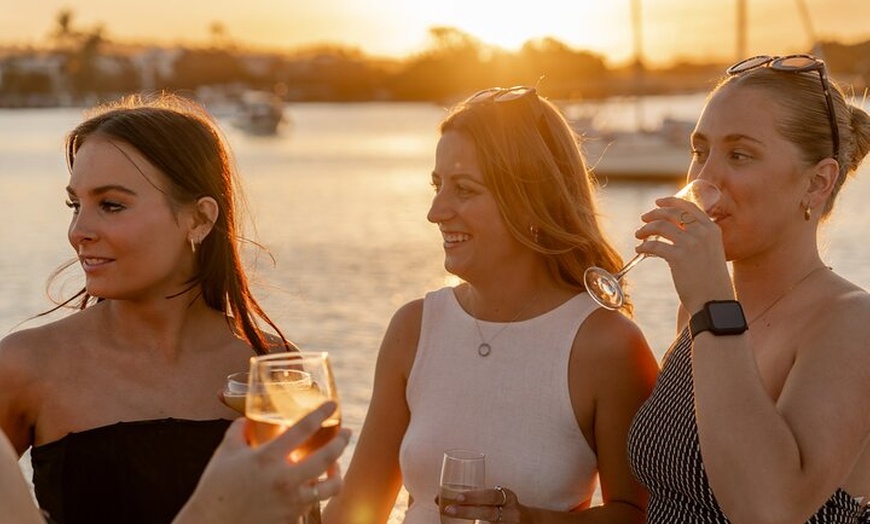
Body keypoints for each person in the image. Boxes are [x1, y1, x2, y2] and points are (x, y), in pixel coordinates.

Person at [0, 93, 343, 523]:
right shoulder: (26, 366)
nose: (79, 231)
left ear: (199, 219)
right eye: (75, 205)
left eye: (111, 205)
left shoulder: (269, 367)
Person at [323, 86, 659, 524]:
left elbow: (640, 515)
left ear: (530, 202)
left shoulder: (607, 346)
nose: (436, 211)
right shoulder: (414, 328)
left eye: (463, 189)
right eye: (437, 185)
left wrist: (530, 521)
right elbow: (356, 510)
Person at [627, 54, 870, 523]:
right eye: (700, 151)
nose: (703, 178)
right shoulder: (701, 316)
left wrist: (712, 301)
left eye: (739, 155)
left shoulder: (850, 322)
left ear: (818, 183)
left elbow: (769, 511)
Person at [0, 403, 351, 524]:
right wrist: (214, 512)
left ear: (201, 227)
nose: (79, 233)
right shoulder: (23, 364)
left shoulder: (263, 360)